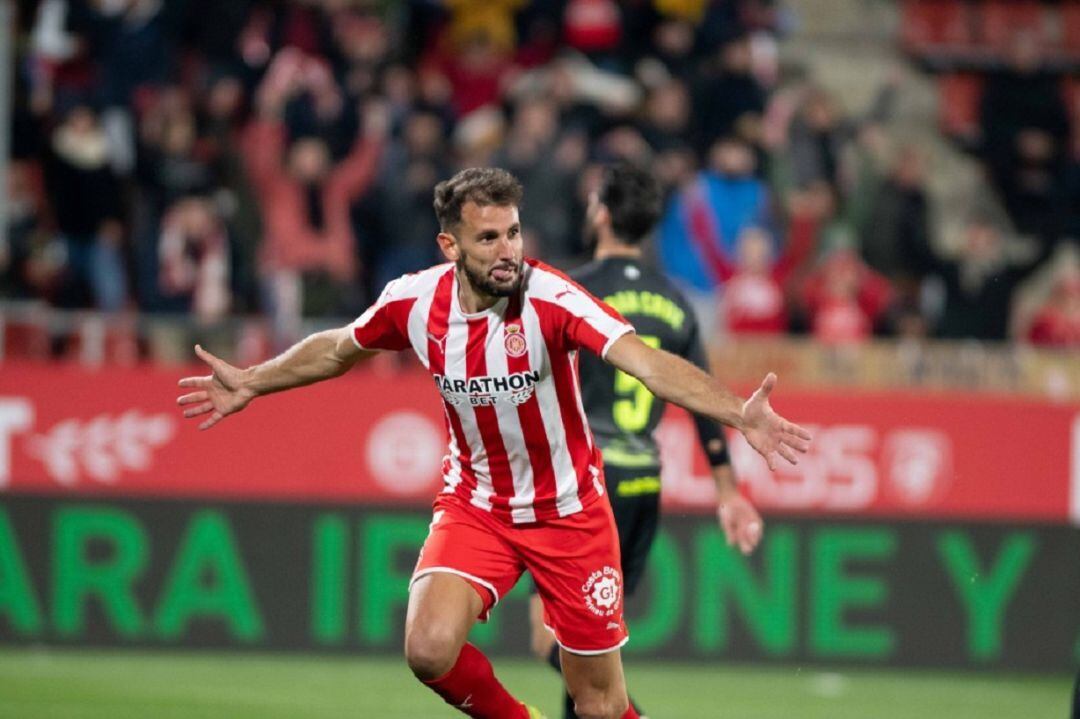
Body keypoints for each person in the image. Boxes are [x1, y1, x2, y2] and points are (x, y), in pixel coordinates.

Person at [177, 167, 811, 719]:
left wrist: (738, 413)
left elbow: (646, 361)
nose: (507, 250)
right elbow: (340, 348)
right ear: (450, 245)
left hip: (570, 512)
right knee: (427, 649)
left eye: (513, 233)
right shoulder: (413, 301)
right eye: (488, 238)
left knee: (598, 704)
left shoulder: (554, 298)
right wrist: (254, 381)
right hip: (477, 505)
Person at [527, 163, 767, 719]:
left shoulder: (572, 290)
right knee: (589, 636)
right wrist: (727, 491)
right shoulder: (677, 301)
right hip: (641, 486)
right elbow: (701, 399)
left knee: (559, 643)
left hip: (579, 486)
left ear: (603, 214)